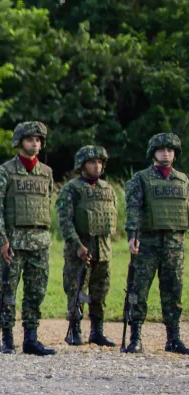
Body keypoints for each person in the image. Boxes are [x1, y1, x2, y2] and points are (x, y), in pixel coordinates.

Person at [0, 121, 56, 356]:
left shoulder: (46, 173)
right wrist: (2, 240)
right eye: (29, 140)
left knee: (36, 291)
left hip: (39, 241)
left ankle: (31, 338)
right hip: (14, 241)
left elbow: (47, 203)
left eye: (38, 140)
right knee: (8, 290)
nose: (34, 144)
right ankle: (7, 338)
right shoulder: (4, 172)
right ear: (19, 142)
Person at [122, 133, 189, 354]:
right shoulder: (141, 178)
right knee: (139, 291)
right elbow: (133, 208)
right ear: (153, 153)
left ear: (175, 154)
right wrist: (132, 234)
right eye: (161, 150)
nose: (166, 153)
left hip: (174, 245)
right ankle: (135, 338)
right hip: (147, 244)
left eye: (170, 150)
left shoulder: (183, 180)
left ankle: (173, 338)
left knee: (173, 292)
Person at [56, 145, 117, 347]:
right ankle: (75, 330)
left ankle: (97, 331)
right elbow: (65, 222)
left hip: (103, 250)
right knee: (77, 290)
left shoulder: (107, 189)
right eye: (92, 162)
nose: (96, 166)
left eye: (99, 162)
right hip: (80, 250)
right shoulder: (71, 189)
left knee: (100, 292)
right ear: (82, 165)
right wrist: (77, 245)